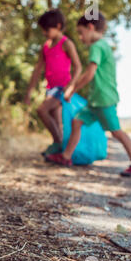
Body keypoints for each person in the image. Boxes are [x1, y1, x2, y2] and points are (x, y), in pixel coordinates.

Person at [46, 12, 131, 178]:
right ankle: (66, 157)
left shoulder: (97, 46)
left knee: (116, 132)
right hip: (95, 101)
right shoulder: (103, 46)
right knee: (77, 121)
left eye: (81, 32)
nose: (80, 37)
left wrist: (73, 89)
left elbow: (90, 74)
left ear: (90, 27)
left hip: (104, 100)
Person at [25, 9, 82, 156]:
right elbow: (38, 69)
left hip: (62, 88)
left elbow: (78, 66)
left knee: (42, 110)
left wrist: (71, 86)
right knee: (56, 122)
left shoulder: (67, 44)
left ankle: (58, 143)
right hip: (50, 88)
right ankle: (59, 149)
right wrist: (30, 90)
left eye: (47, 29)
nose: (44, 33)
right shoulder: (45, 46)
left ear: (58, 26)